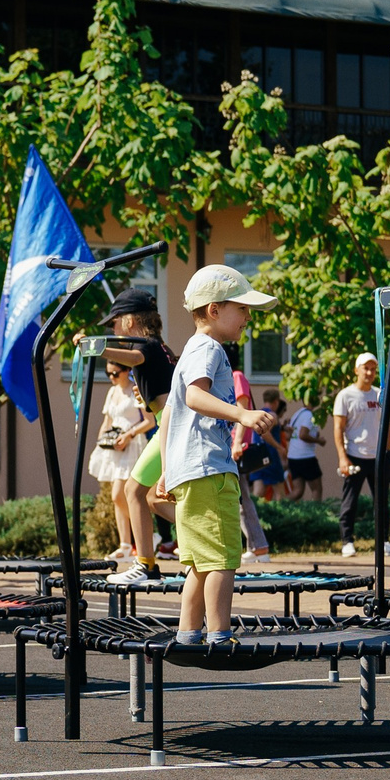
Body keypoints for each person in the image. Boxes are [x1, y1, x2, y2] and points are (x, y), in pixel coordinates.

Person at [158, 264, 279, 649]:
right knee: (225, 558)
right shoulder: (208, 349)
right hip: (209, 467)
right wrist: (242, 413)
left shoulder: (193, 351)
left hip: (190, 469)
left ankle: (188, 634)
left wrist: (166, 470)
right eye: (241, 308)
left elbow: (169, 415)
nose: (247, 317)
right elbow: (194, 398)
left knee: (198, 563)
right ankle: (219, 634)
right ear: (213, 310)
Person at [102, 288, 178, 579]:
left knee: (135, 492)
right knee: (150, 498)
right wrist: (144, 394)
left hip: (170, 429)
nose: (113, 329)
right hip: (167, 424)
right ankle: (187, 539)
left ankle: (145, 565)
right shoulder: (161, 347)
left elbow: (134, 358)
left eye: (115, 323)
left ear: (131, 321)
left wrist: (96, 348)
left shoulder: (144, 347)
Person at [88, 356, 157, 586]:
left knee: (122, 493)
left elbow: (149, 421)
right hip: (114, 446)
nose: (111, 378)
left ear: (126, 371)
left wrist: (129, 434)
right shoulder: (112, 392)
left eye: (115, 373)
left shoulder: (134, 390)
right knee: (116, 497)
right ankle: (126, 545)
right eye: (108, 374)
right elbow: (107, 420)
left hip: (132, 445)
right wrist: (101, 440)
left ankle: (144, 537)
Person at [331, 353, 390, 557]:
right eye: (365, 368)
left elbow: (389, 424)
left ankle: (383, 542)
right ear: (356, 370)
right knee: (350, 501)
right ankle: (347, 542)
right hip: (354, 456)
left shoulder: (380, 394)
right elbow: (338, 428)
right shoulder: (345, 395)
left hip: (377, 457)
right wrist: (342, 457)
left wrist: (387, 451)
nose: (369, 373)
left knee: (382, 502)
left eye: (373, 369)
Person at [284, 394, 324, 499]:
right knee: (317, 489)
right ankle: (316, 514)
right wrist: (319, 441)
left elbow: (290, 436)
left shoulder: (298, 414)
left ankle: (279, 507)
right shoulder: (309, 415)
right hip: (306, 457)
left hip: (293, 457)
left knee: (298, 491)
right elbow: (303, 434)